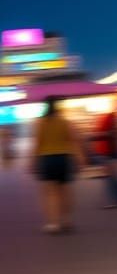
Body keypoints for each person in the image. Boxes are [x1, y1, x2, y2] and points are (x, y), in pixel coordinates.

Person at [33, 96, 87, 232]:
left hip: (47, 159)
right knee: (65, 191)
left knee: (51, 193)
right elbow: (73, 141)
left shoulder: (39, 123)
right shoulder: (66, 122)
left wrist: (32, 161)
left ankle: (54, 223)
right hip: (64, 158)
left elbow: (37, 143)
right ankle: (67, 220)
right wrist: (80, 158)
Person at [92, 105, 117, 208]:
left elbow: (107, 133)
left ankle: (116, 199)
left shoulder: (110, 118)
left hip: (108, 151)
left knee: (111, 177)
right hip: (109, 151)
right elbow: (112, 133)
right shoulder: (110, 118)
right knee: (112, 176)